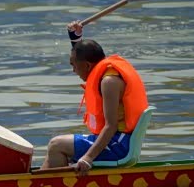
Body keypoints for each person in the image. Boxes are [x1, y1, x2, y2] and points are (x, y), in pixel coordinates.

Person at [40, 21, 149, 173]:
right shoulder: (102, 70)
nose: (73, 71)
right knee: (53, 151)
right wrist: (75, 39)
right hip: (118, 140)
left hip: (118, 146)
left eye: (73, 66)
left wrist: (88, 158)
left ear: (87, 66)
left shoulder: (109, 82)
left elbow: (110, 126)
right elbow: (82, 54)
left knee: (56, 145)